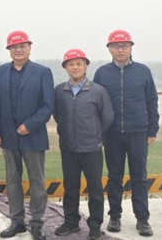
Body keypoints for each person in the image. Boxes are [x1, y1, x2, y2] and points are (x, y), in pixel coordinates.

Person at [93, 30, 159, 237]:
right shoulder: (102, 73)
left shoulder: (143, 71)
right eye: (115, 46)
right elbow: (96, 104)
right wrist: (99, 130)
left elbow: (152, 101)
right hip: (111, 133)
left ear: (131, 48)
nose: (120, 50)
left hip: (138, 132)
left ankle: (142, 219)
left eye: (124, 46)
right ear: (109, 49)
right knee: (114, 176)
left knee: (139, 177)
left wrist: (152, 129)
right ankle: (115, 216)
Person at [0, 31, 54, 240]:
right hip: (8, 136)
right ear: (9, 50)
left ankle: (37, 223)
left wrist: (30, 125)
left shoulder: (42, 72)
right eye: (14, 47)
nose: (18, 50)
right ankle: (16, 221)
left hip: (33, 135)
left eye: (22, 46)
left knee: (37, 181)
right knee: (12, 181)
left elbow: (47, 105)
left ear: (29, 48)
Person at [53, 49, 114, 240]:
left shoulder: (98, 91)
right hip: (68, 148)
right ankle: (71, 222)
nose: (75, 67)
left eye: (79, 63)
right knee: (70, 187)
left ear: (86, 66)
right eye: (70, 64)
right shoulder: (59, 91)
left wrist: (94, 135)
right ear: (65, 68)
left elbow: (107, 117)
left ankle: (95, 225)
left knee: (95, 188)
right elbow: (57, 115)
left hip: (91, 148)